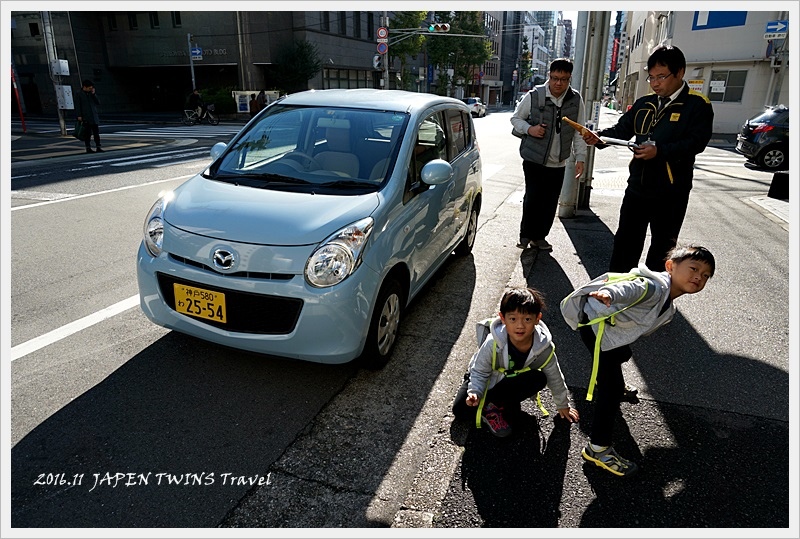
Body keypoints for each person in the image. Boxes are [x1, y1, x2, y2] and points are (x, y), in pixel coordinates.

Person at [568, 244, 716, 476]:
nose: (698, 277)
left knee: (622, 354)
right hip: (598, 329)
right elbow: (630, 288)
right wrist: (609, 294)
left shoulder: (669, 306)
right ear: (670, 266)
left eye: (706, 275)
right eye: (693, 268)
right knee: (612, 388)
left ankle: (608, 382)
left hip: (610, 331)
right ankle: (597, 448)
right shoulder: (653, 286)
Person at [582, 45, 714, 273]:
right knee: (624, 246)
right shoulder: (644, 103)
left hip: (672, 192)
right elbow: (622, 130)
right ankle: (616, 297)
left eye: (661, 77)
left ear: (680, 72)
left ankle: (652, 301)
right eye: (651, 77)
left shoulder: (697, 105)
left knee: (662, 252)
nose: (655, 83)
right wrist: (598, 138)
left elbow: (696, 143)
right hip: (637, 188)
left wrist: (659, 151)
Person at [452, 287, 580, 438]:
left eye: (527, 319)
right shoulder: (493, 343)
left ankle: (493, 406)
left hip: (510, 380)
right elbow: (479, 371)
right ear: (503, 318)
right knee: (460, 409)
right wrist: (475, 392)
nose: (520, 326)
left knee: (540, 378)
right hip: (484, 378)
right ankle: (493, 403)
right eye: (513, 319)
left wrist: (562, 404)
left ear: (537, 318)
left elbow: (555, 375)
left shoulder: (544, 347)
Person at [510, 58, 587, 252]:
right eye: (554, 78)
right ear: (549, 76)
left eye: (563, 79)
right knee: (533, 198)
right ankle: (525, 235)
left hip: (559, 161)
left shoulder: (575, 100)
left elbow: (579, 130)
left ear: (570, 79)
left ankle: (540, 237)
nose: (558, 83)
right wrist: (530, 129)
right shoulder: (535, 96)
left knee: (550, 201)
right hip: (534, 158)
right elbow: (515, 118)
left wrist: (581, 158)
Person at [74, 79, 103, 153]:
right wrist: (79, 115)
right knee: (87, 134)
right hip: (85, 116)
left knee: (96, 133)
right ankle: (88, 147)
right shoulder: (79, 94)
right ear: (84, 87)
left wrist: (94, 94)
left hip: (94, 116)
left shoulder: (91, 94)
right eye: (89, 88)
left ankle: (98, 147)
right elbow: (77, 105)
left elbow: (98, 102)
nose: (91, 89)